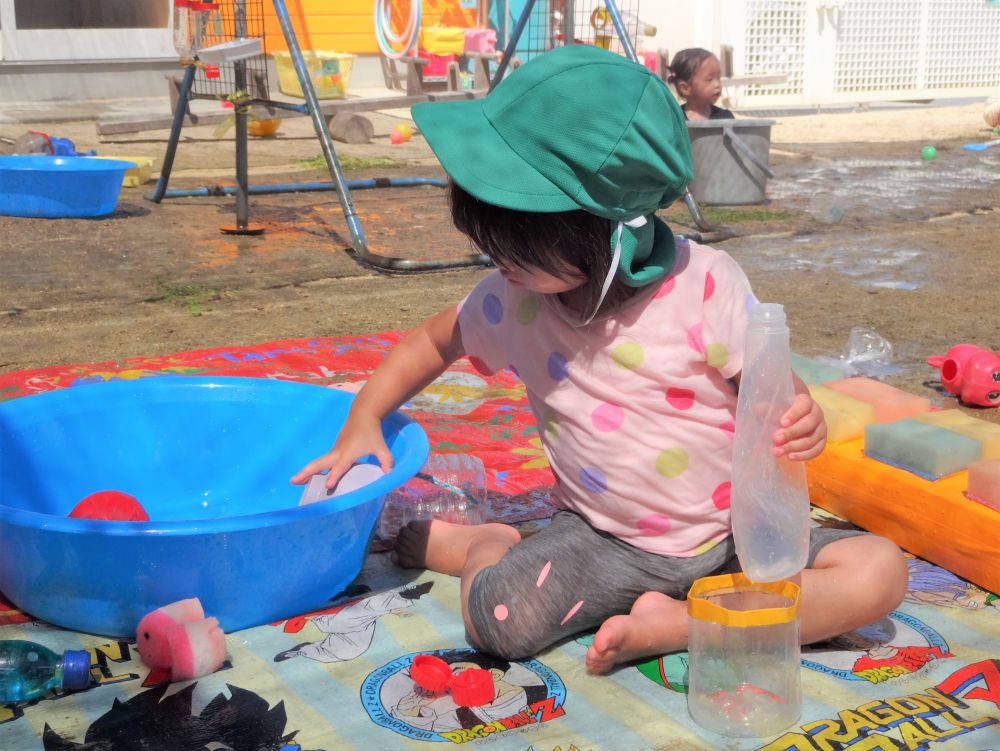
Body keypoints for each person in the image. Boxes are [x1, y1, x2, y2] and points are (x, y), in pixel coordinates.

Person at [292, 44, 908, 675]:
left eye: (516, 244)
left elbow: (773, 388)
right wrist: (365, 415)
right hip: (605, 540)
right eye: (491, 244)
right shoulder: (515, 299)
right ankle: (482, 544)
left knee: (879, 572)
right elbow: (432, 341)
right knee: (495, 624)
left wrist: (803, 413)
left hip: (732, 540)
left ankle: (681, 625)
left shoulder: (706, 286)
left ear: (601, 228)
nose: (497, 262)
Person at [667, 47, 734, 120]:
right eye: (709, 79)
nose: (717, 84)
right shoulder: (675, 119)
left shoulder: (724, 117)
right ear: (685, 88)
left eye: (718, 78)